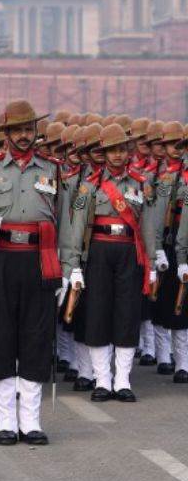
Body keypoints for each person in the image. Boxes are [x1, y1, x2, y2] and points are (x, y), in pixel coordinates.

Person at [0, 100, 60, 446]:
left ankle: (31, 422)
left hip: (39, 259)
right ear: (5, 134)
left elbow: (62, 223)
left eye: (29, 129)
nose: (24, 136)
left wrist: (66, 270)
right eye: (18, 130)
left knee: (36, 339)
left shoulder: (51, 169)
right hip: (2, 258)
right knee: (3, 338)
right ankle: (5, 422)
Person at [62, 123, 156, 403]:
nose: (117, 155)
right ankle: (102, 380)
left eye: (121, 149)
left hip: (130, 252)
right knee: (98, 313)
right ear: (103, 152)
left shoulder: (141, 183)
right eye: (111, 150)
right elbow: (77, 226)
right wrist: (74, 263)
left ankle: (123, 380)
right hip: (100, 252)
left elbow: (148, 227)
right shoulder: (88, 186)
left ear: (128, 152)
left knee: (127, 314)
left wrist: (151, 263)